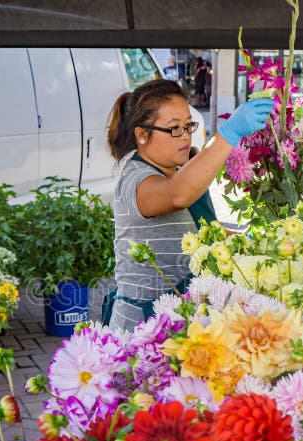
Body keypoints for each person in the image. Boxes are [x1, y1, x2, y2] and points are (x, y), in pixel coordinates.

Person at [104, 79, 273, 331]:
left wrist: (247, 240)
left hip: (183, 320)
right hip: (143, 330)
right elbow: (177, 196)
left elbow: (200, 230)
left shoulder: (180, 170)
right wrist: (229, 134)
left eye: (188, 125)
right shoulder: (135, 179)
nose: (185, 136)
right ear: (142, 134)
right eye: (173, 129)